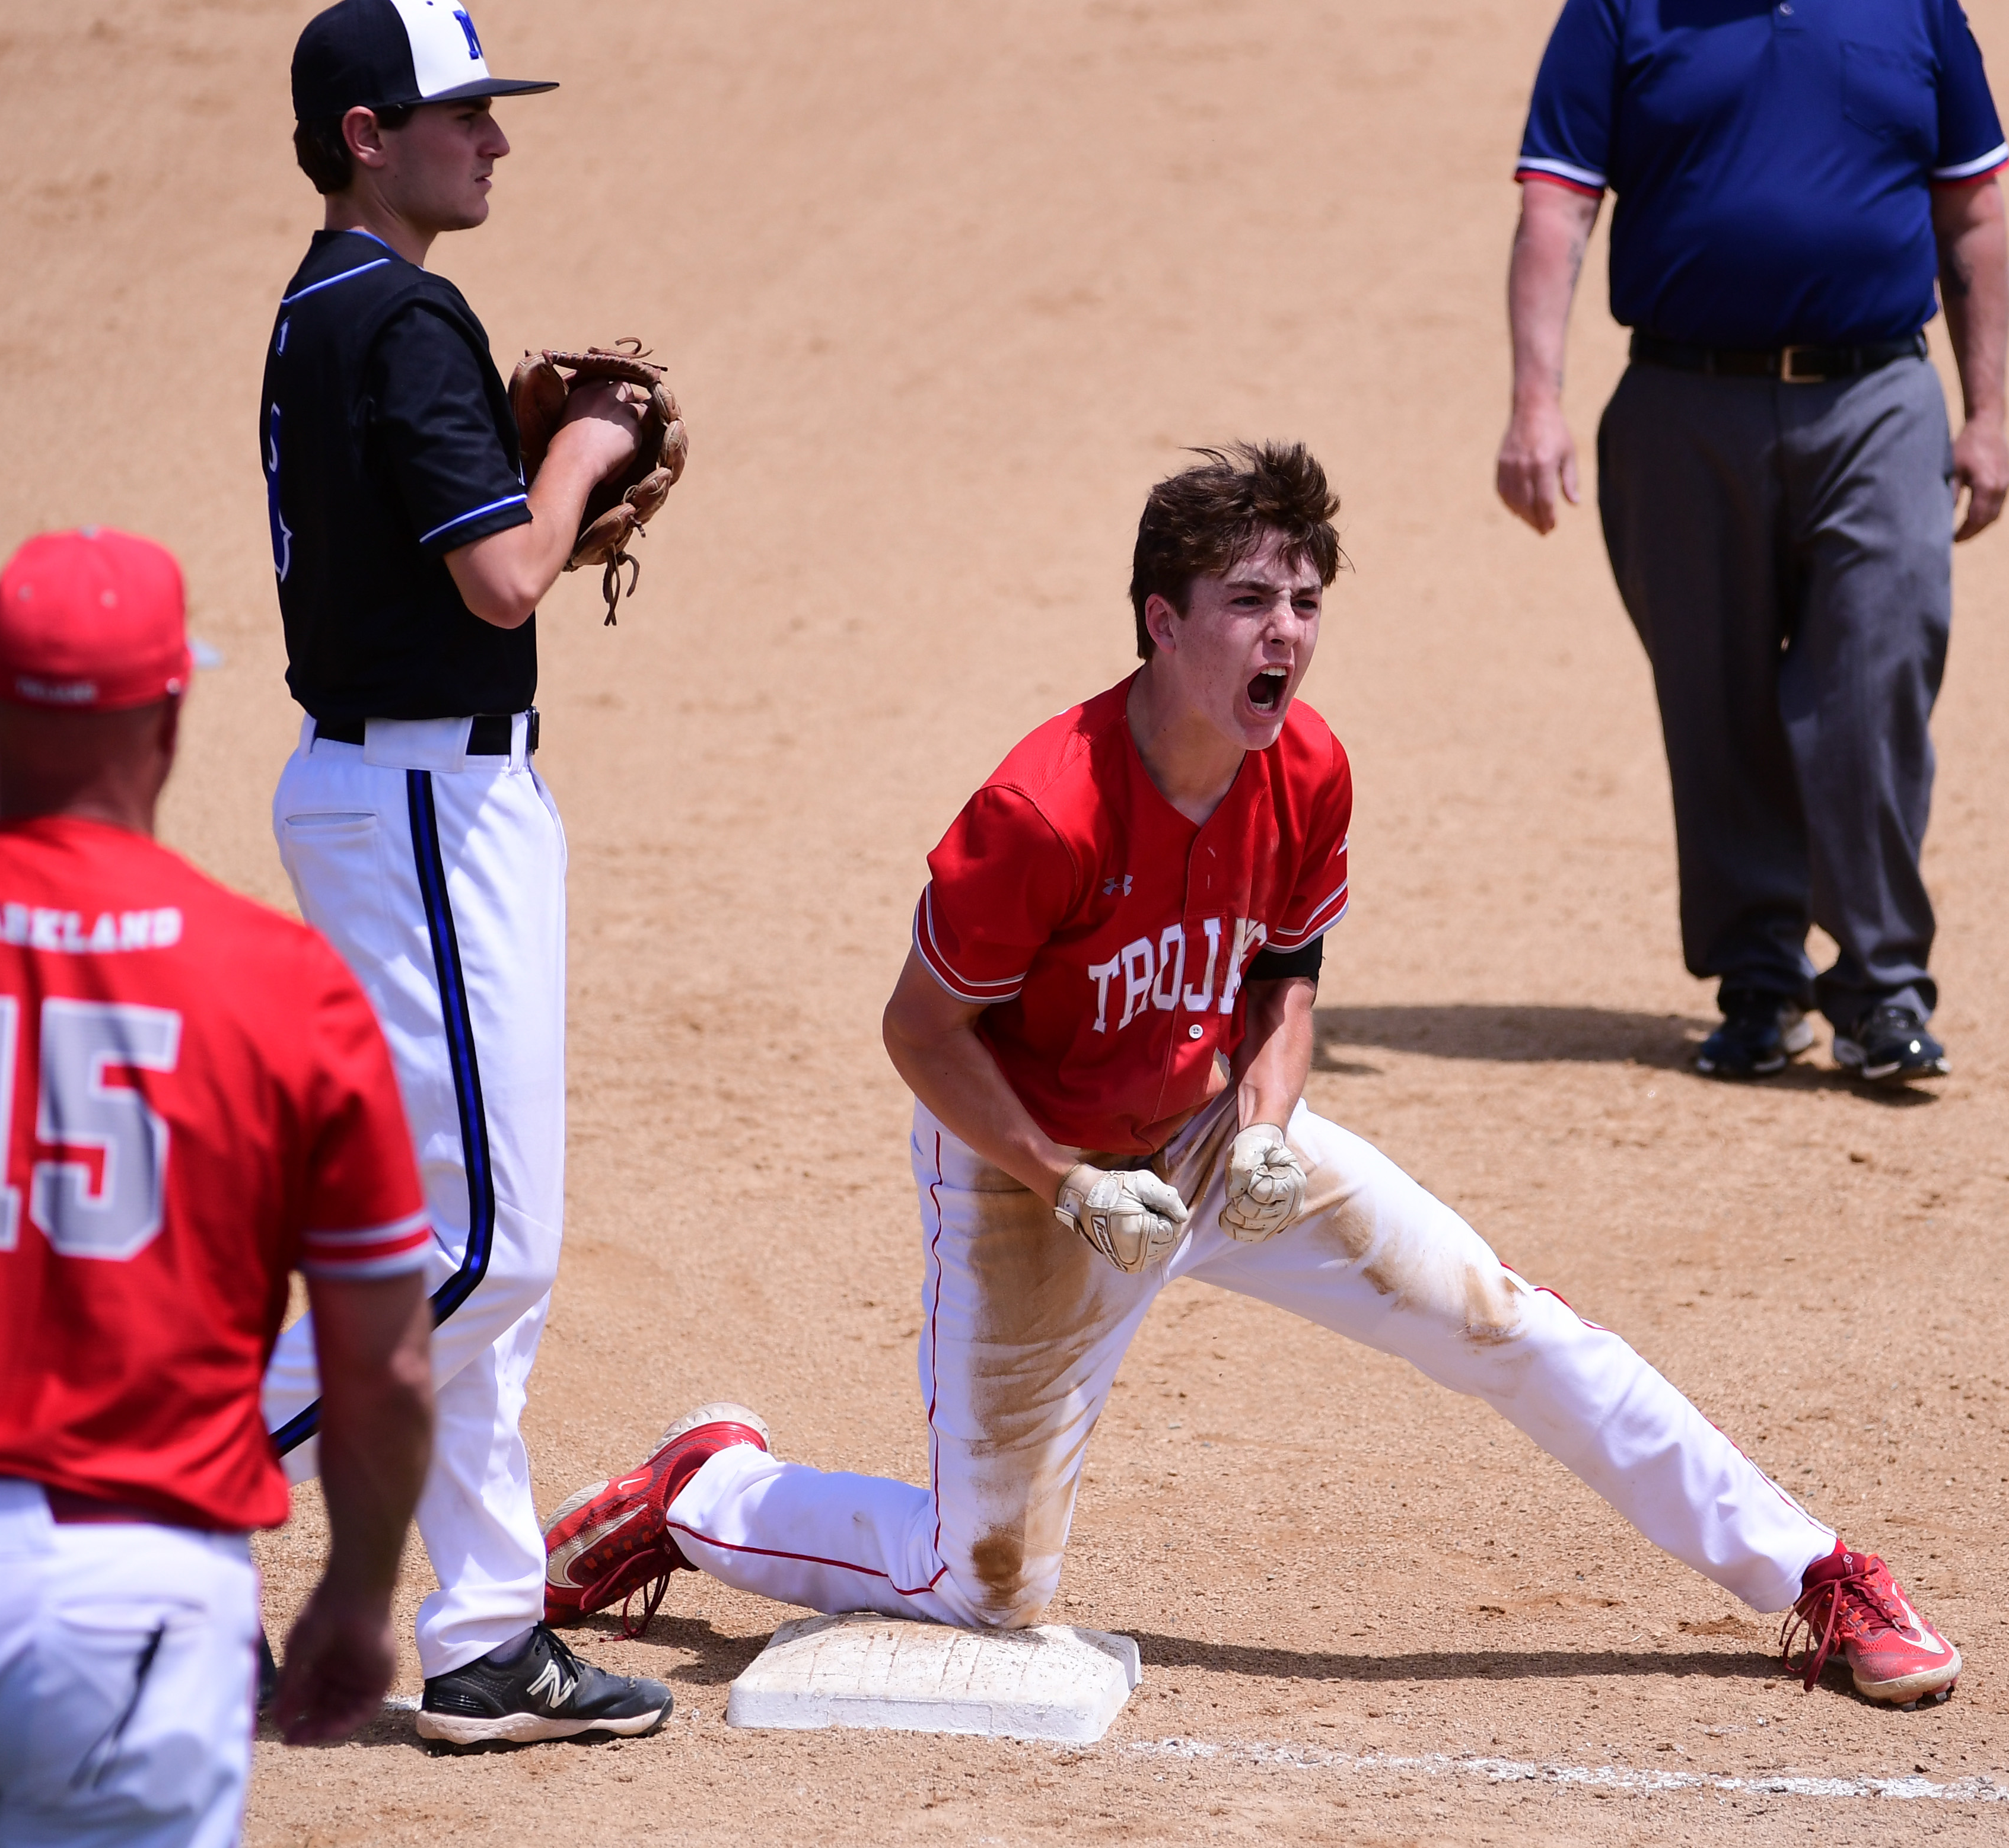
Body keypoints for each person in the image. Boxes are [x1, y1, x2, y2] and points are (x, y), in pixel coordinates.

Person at [541, 446, 1962, 1710]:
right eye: (1248, 602)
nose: (1286, 633)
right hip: (1029, 1177)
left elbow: (1288, 969)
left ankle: (1817, 1572)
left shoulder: (1308, 767)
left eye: (1304, 602)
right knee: (984, 1586)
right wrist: (1069, 1179)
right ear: (1163, 624)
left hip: (1216, 1137)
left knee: (1503, 1319)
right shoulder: (1044, 809)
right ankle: (704, 1489)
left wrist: (1270, 1126)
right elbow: (923, 1033)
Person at [0, 528, 437, 1847]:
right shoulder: (282, 988)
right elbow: (391, 1367)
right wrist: (359, 1596)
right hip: (128, 1598)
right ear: (175, 712)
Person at [256, 0, 672, 1745]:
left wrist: (524, 474)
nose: (494, 140)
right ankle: (115, 1479)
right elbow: (503, 581)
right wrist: (582, 455)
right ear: (368, 133)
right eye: (461, 115)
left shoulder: (322, 302)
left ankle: (490, 1634)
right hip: (423, 799)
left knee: (473, 1238)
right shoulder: (404, 309)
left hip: (415, 795)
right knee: (473, 1245)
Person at [1495, 0, 2009, 1084]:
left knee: (1873, 686)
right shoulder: (1621, 11)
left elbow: (1971, 210)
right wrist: (1534, 403)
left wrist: (1990, 411)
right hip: (1681, 403)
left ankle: (1879, 991)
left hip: (1876, 397)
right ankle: (1759, 982)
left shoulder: (1913, 8)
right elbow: (1556, 204)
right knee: (1713, 696)